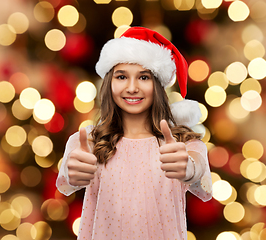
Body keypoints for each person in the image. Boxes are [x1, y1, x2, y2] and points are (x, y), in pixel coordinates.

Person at [56, 26, 212, 239]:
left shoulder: (182, 144)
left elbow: (200, 177)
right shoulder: (89, 142)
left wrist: (190, 168)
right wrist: (73, 171)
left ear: (157, 84)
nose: (131, 88)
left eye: (144, 77)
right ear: (109, 82)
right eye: (121, 77)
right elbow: (67, 178)